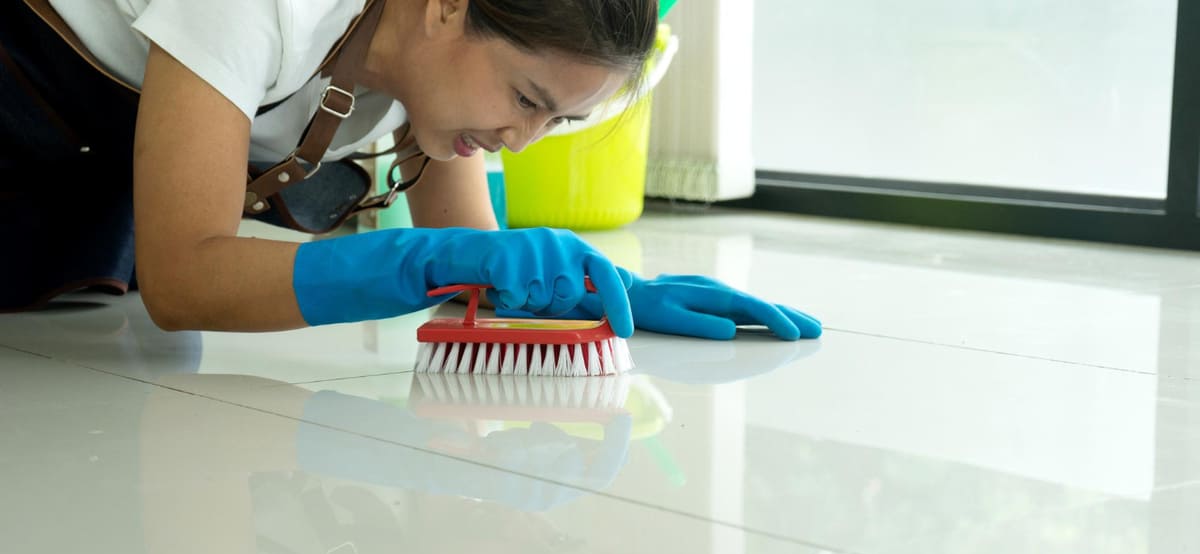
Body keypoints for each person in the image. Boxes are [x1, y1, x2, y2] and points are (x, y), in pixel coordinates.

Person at [0, 0, 822, 341]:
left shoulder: (425, 82)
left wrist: (604, 301)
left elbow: (471, 253)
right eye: (527, 97)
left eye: (558, 120)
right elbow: (185, 277)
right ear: (446, 7)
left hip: (83, 162)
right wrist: (417, 264)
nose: (524, 141)